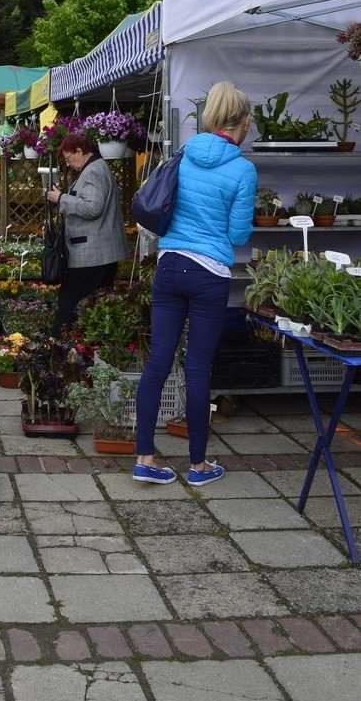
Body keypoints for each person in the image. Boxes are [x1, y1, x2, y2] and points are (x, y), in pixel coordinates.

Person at [133, 81, 256, 488]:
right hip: (209, 275)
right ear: (243, 122)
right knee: (198, 369)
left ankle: (145, 457)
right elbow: (238, 236)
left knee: (157, 364)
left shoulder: (182, 155)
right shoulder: (243, 169)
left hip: (170, 266)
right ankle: (199, 466)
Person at [45, 133, 129, 336]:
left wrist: (61, 198)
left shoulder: (92, 171)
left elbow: (93, 207)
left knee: (69, 303)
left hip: (91, 253)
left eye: (68, 158)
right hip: (99, 252)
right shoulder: (98, 167)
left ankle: (57, 349)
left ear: (80, 151)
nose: (69, 164)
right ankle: (90, 348)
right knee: (95, 305)